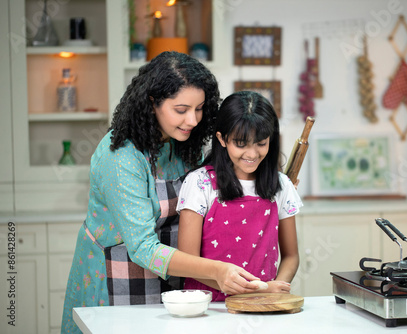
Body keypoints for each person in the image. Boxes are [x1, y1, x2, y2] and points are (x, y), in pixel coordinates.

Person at [61, 52, 259, 333]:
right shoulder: (120, 156)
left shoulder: (182, 143)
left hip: (172, 275)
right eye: (181, 110)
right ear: (152, 102)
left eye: (200, 108)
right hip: (115, 276)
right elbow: (142, 247)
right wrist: (216, 270)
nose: (192, 120)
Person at [177, 91, 302, 301]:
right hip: (207, 307)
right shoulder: (200, 183)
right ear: (222, 139)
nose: (252, 154)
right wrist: (259, 288)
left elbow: (291, 256)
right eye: (241, 144)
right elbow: (187, 262)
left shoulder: (282, 186)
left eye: (261, 143)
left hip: (262, 306)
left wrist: (275, 289)